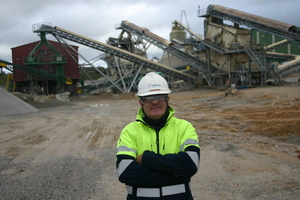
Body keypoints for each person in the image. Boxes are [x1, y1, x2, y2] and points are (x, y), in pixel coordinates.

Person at [116, 72, 200, 200]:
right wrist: (175, 175)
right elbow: (125, 172)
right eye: (149, 98)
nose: (155, 102)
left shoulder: (184, 127)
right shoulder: (130, 131)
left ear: (168, 100)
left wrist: (146, 159)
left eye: (160, 97)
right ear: (141, 103)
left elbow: (191, 165)